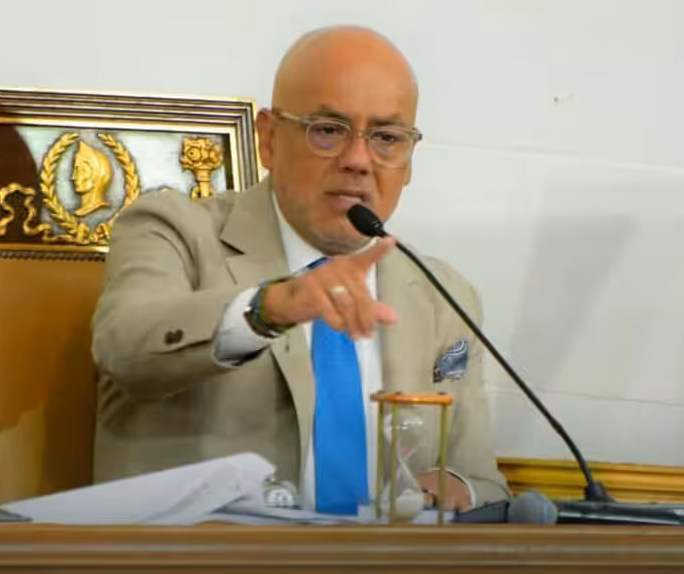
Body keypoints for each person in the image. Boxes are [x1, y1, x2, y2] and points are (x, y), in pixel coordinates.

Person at [91, 25, 509, 514]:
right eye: (328, 130)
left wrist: (456, 485)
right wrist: (271, 306)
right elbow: (125, 347)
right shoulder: (174, 230)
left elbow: (483, 480)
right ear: (269, 139)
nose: (358, 160)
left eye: (386, 138)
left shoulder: (442, 298)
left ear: (409, 159)